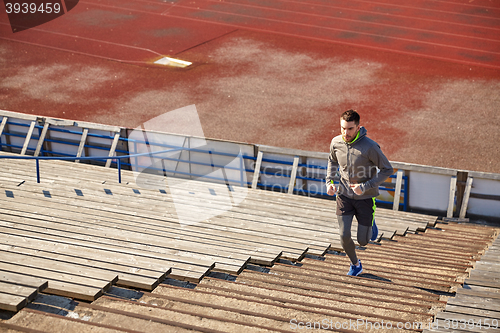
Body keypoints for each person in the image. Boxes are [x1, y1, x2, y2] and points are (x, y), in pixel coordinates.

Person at [326, 110, 394, 276]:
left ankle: (371, 221)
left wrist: (365, 186)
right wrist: (330, 182)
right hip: (343, 195)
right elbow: (332, 161)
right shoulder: (336, 143)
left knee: (363, 241)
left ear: (358, 127)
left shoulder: (370, 147)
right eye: (343, 128)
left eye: (349, 129)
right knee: (343, 235)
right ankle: (356, 264)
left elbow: (387, 169)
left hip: (365, 197)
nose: (345, 133)